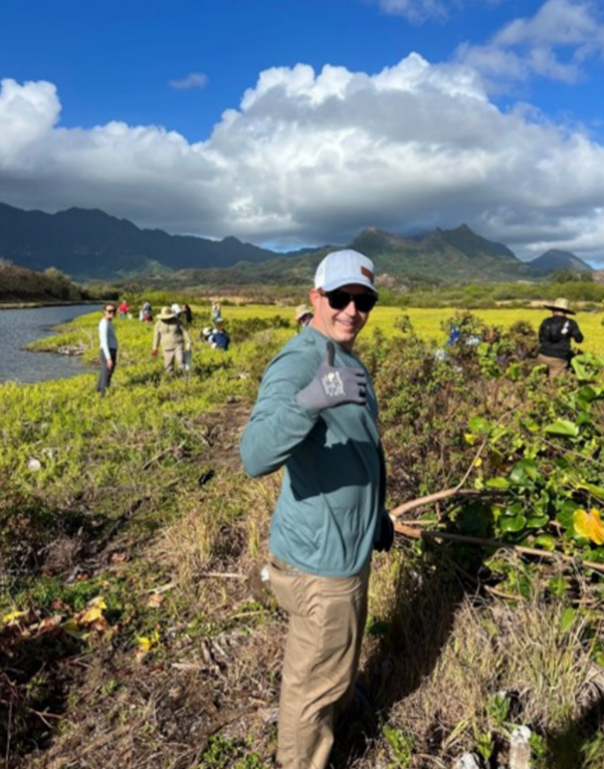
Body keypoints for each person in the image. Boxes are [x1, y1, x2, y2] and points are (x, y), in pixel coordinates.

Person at [240, 249, 393, 769]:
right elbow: (254, 454)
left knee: (335, 660)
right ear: (315, 298)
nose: (352, 310)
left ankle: (341, 713)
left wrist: (378, 516)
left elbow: (359, 449)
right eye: (340, 298)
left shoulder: (345, 355)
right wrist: (309, 401)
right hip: (322, 563)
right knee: (309, 692)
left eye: (364, 300)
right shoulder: (302, 361)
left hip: (346, 544)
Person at [537, 297, 584, 377]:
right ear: (565, 312)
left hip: (542, 356)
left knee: (540, 381)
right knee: (555, 385)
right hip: (558, 359)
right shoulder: (570, 323)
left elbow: (540, 338)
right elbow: (579, 339)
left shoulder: (546, 321)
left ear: (553, 310)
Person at [152, 306, 193, 372]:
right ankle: (171, 377)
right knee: (168, 365)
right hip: (166, 347)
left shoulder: (177, 321)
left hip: (178, 345)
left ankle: (182, 376)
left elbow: (184, 331)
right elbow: (156, 336)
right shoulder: (158, 324)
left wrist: (189, 340)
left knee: (180, 360)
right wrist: (155, 348)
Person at [97, 303, 118, 396]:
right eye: (109, 311)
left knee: (104, 373)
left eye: (114, 311)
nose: (112, 313)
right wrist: (108, 358)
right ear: (104, 312)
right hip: (107, 351)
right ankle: (103, 396)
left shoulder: (108, 322)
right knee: (107, 374)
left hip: (111, 350)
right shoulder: (104, 323)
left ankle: (98, 391)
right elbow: (104, 341)